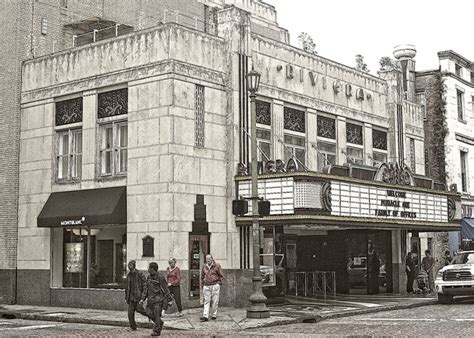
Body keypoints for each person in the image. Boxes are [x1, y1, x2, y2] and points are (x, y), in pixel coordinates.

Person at [140, 262, 173, 336]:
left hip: (158, 300)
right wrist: (143, 299)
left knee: (156, 315)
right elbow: (146, 289)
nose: (147, 269)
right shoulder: (148, 277)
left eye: (149, 267)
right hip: (150, 300)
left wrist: (169, 299)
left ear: (152, 269)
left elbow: (165, 289)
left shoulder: (160, 277)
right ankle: (160, 323)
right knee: (148, 313)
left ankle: (157, 330)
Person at [199, 254, 224, 322]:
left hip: (215, 285)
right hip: (206, 285)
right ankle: (205, 316)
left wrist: (219, 283)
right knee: (206, 301)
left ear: (212, 259)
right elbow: (202, 276)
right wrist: (202, 285)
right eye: (207, 259)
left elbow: (221, 275)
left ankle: (214, 314)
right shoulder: (204, 266)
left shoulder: (217, 266)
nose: (208, 260)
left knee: (215, 301)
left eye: (209, 259)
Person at [125, 260, 146, 331]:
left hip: (138, 297)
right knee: (130, 313)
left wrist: (143, 297)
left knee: (142, 311)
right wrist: (127, 297)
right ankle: (133, 327)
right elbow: (127, 287)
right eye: (128, 265)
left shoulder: (140, 274)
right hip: (131, 298)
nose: (128, 266)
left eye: (130, 265)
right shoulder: (128, 275)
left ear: (134, 266)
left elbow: (145, 285)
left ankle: (155, 319)